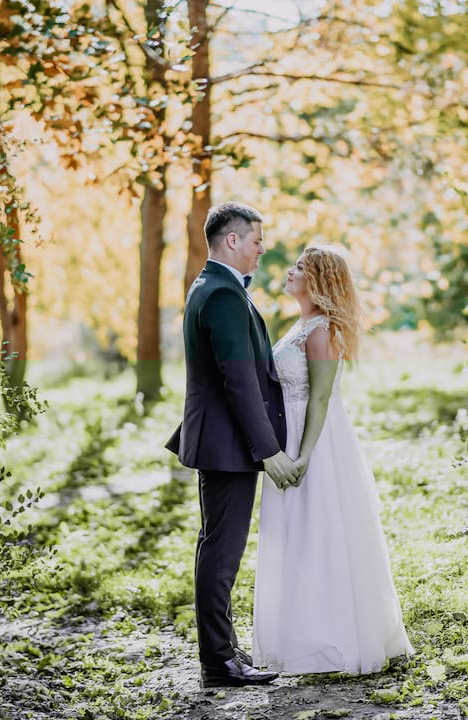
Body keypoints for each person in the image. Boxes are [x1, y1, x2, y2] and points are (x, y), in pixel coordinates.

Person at [253, 245, 414, 675]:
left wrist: (304, 454)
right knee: (298, 535)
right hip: (290, 432)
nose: (290, 271)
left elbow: (321, 397)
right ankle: (305, 636)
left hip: (315, 439)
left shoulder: (320, 330)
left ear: (318, 281)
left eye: (300, 268)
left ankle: (334, 639)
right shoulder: (300, 325)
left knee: (320, 532)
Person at [165, 202, 299, 688]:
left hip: (222, 441)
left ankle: (222, 651)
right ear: (233, 239)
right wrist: (268, 450)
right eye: (257, 240)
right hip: (227, 446)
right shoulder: (221, 293)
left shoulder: (214, 286)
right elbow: (238, 381)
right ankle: (218, 662)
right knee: (221, 552)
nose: (263, 250)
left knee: (217, 547)